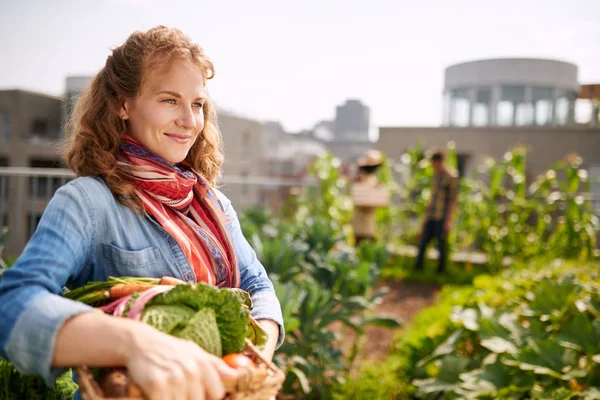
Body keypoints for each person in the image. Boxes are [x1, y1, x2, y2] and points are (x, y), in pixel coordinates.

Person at [0, 26, 283, 400]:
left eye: (197, 104)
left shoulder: (212, 204)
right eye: (169, 100)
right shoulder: (87, 203)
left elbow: (258, 286)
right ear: (123, 104)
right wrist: (134, 342)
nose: (189, 120)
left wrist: (249, 364)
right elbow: (13, 303)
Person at [414, 150, 458, 273]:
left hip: (442, 217)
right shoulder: (435, 176)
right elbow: (432, 197)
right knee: (423, 242)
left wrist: (449, 220)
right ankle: (418, 269)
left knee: (441, 246)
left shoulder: (451, 176)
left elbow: (452, 200)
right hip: (431, 215)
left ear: (440, 162)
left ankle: (440, 271)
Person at [351, 150, 389, 246]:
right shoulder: (359, 178)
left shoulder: (374, 179)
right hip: (360, 219)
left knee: (369, 243)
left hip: (369, 219)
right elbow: (358, 196)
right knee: (359, 243)